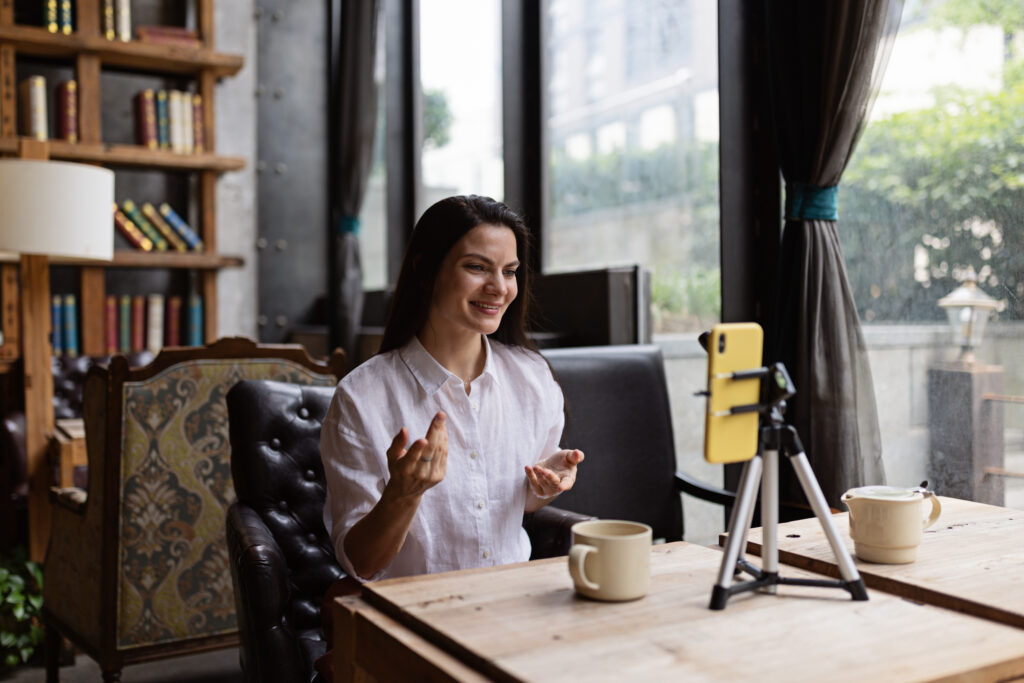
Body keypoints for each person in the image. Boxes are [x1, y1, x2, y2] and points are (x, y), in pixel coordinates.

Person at [320, 194, 584, 583]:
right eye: (477, 267)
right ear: (425, 269)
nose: (498, 287)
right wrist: (403, 495)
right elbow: (363, 563)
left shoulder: (534, 378)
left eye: (509, 271)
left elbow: (518, 504)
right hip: (413, 617)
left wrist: (544, 484)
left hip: (512, 601)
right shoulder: (362, 398)